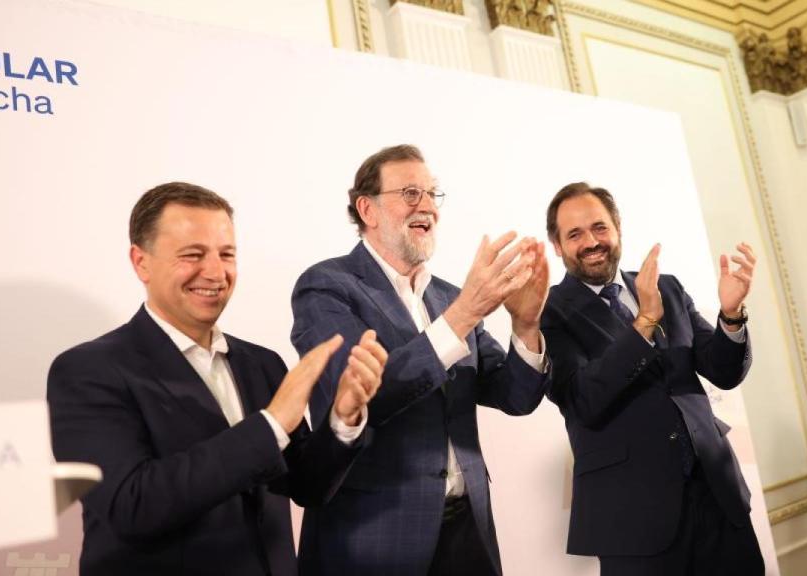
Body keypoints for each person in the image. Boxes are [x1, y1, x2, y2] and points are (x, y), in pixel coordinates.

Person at [47, 182, 387, 576]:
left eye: (226, 254)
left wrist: (344, 418)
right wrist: (271, 424)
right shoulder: (87, 371)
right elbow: (131, 506)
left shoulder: (262, 364)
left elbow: (308, 486)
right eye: (193, 255)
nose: (215, 272)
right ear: (141, 262)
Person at [291, 144, 550, 576]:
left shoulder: (448, 296)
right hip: (374, 536)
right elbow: (361, 394)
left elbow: (515, 397)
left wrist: (525, 326)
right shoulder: (326, 286)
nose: (427, 206)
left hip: (468, 532)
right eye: (411, 193)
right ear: (367, 209)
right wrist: (466, 313)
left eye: (433, 194)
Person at [540, 182, 764, 575]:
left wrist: (731, 314)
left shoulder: (668, 287)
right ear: (556, 245)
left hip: (717, 499)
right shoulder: (548, 314)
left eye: (599, 227)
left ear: (618, 228)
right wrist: (643, 323)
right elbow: (582, 400)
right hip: (634, 520)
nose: (592, 241)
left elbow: (724, 372)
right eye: (574, 234)